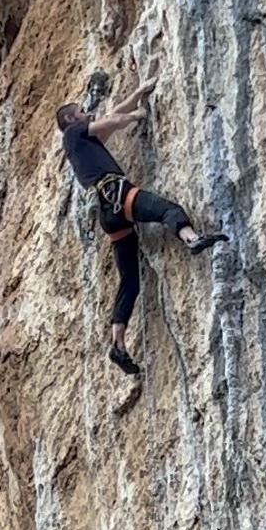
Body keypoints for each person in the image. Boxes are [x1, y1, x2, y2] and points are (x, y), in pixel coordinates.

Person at [55, 86, 225, 377]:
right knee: (167, 209)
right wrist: (137, 115)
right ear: (72, 120)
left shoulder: (83, 144)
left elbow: (111, 117)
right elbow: (113, 121)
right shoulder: (73, 134)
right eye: (82, 112)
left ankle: (118, 344)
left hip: (109, 214)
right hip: (118, 197)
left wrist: (139, 92)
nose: (87, 113)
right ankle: (192, 239)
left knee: (130, 280)